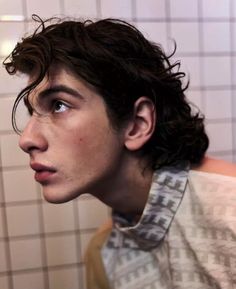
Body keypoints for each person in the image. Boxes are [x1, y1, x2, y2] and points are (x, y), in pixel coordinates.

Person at [3, 15, 236, 289]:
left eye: (58, 105)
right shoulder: (104, 255)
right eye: (32, 112)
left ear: (138, 124)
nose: (27, 139)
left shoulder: (229, 220)